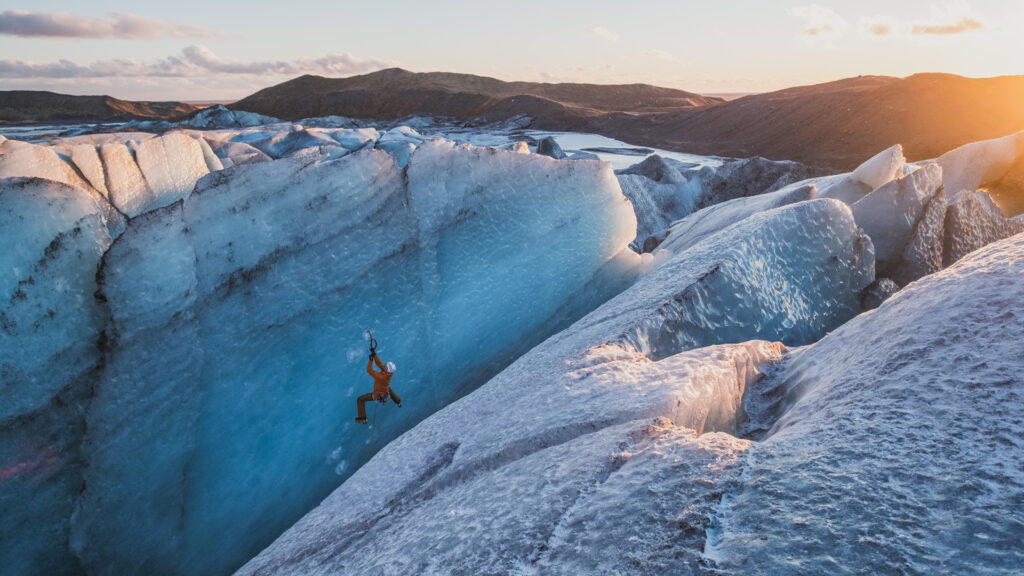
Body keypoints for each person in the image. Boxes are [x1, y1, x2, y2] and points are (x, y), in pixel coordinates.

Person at [355, 349, 401, 424]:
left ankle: (362, 418)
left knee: (360, 399)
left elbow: (369, 371)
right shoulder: (388, 373)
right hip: (385, 390)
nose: (384, 364)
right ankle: (398, 402)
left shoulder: (382, 377)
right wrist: (374, 354)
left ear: (387, 369)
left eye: (386, 365)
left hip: (379, 394)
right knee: (389, 389)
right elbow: (379, 363)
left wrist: (370, 361)